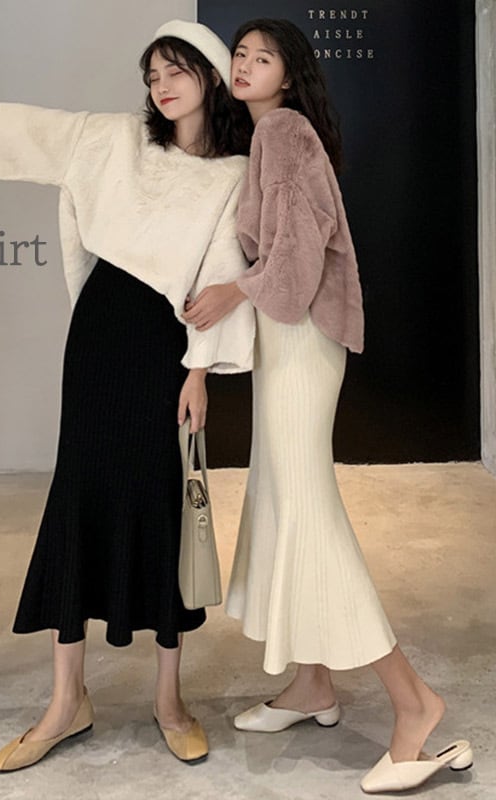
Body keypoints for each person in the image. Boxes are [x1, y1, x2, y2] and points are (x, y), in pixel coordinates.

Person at [0, 20, 255, 771]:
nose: (161, 87)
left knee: (161, 502)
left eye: (175, 71)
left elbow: (220, 274)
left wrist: (199, 371)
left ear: (209, 75)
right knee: (78, 494)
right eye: (152, 76)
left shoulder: (233, 174)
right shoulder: (118, 138)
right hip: (101, 333)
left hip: (164, 345)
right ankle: (65, 700)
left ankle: (170, 700)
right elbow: (39, 133)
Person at [182, 17, 472, 794]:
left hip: (302, 336)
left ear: (290, 73)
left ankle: (414, 703)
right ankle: (313, 685)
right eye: (240, 55)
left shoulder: (283, 131)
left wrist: (233, 290)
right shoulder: (272, 134)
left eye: (263, 57)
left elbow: (300, 254)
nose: (245, 65)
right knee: (283, 502)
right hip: (291, 336)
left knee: (308, 512)